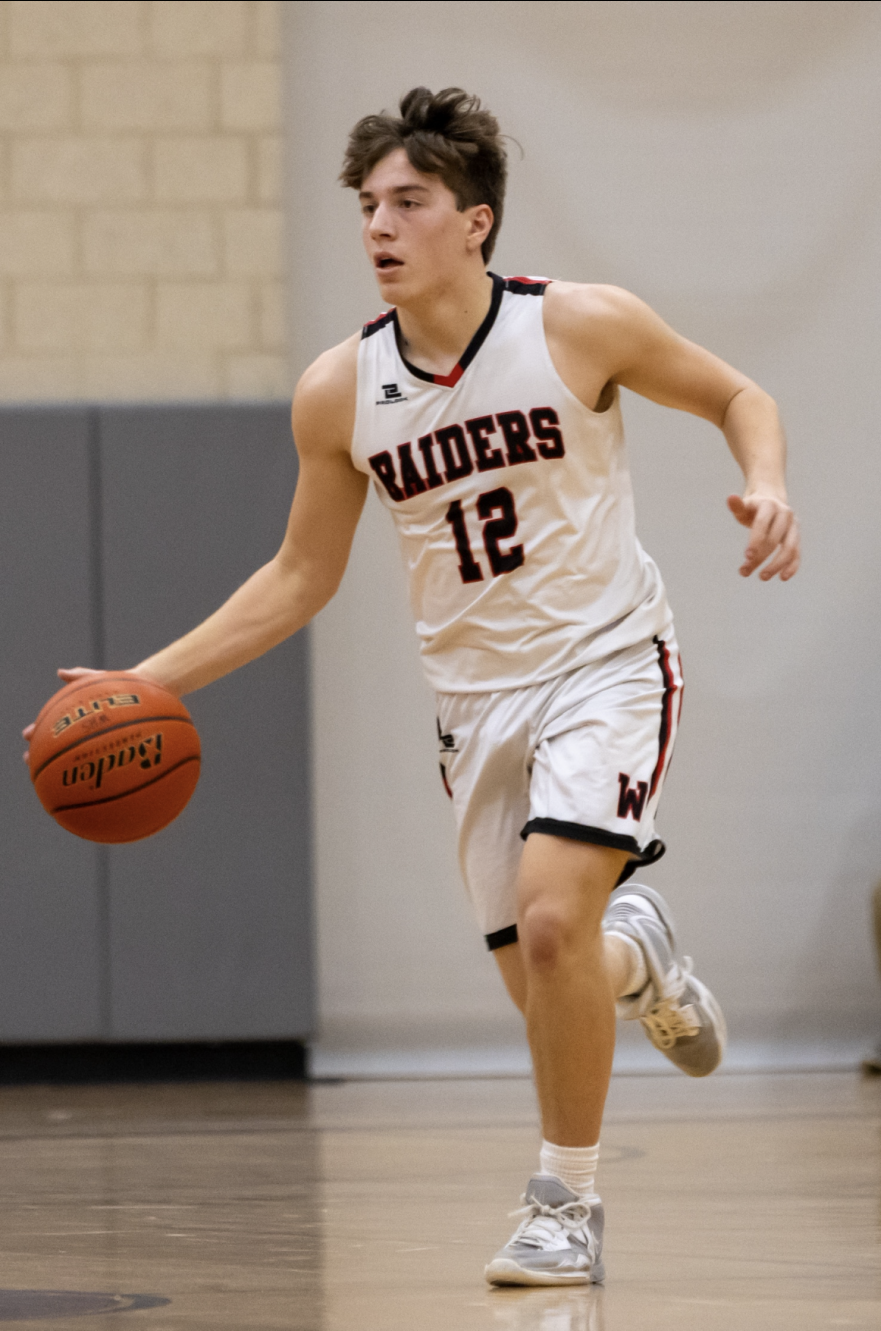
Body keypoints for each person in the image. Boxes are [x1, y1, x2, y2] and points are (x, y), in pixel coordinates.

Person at [27, 88, 800, 1287]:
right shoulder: (340, 390)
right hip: (472, 703)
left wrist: (766, 485)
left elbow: (736, 395)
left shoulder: (579, 327)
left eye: (407, 202)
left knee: (550, 918)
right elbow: (297, 574)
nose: (378, 226)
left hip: (605, 662)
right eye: (367, 207)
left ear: (475, 221)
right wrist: (141, 678)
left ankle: (566, 1204)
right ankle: (636, 950)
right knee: (553, 968)